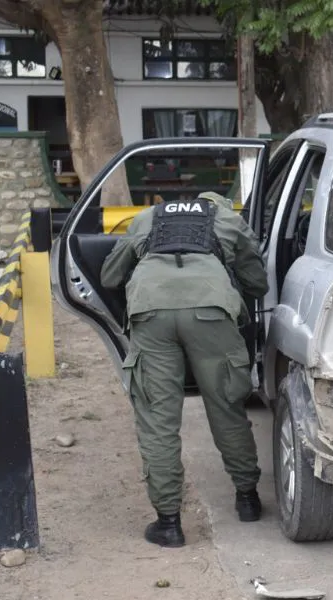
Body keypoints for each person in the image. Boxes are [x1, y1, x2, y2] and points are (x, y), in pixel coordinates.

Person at [101, 190, 269, 548]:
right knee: (227, 408)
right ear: (218, 207)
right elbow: (258, 283)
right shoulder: (228, 220)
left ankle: (168, 523)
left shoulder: (148, 216)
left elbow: (110, 277)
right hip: (211, 310)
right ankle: (247, 499)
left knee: (158, 420)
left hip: (150, 312)